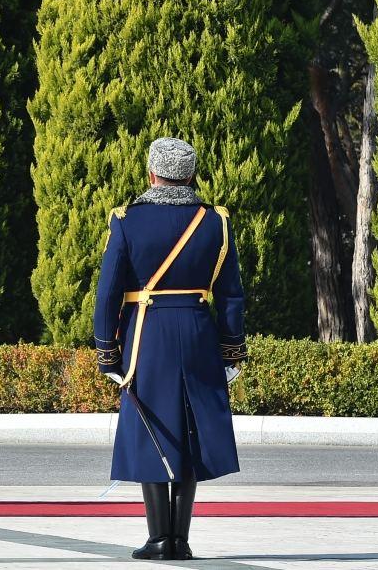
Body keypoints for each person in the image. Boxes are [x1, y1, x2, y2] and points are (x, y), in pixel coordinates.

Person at [93, 137, 246, 560]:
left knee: (153, 427)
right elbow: (231, 295)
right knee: (190, 430)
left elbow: (108, 293)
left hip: (148, 333)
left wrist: (107, 350)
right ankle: (181, 538)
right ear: (192, 176)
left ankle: (159, 538)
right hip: (198, 331)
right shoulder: (215, 221)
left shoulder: (127, 220)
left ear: (151, 174)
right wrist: (232, 350)